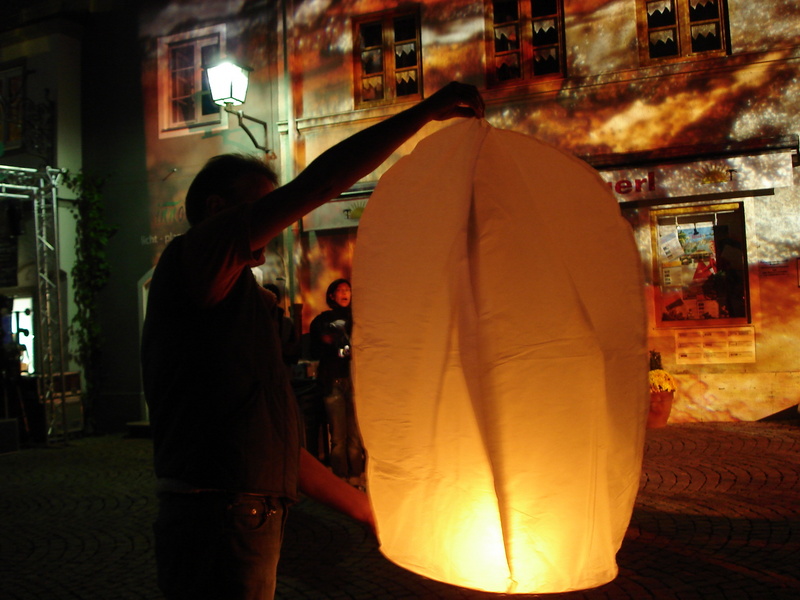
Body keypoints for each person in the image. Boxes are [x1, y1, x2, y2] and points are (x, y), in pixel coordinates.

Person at [140, 81, 484, 600]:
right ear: (217, 210)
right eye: (260, 211)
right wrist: (424, 113)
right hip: (218, 517)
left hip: (246, 514)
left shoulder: (244, 301)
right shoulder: (194, 258)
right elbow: (317, 186)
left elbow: (280, 449)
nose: (274, 226)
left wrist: (367, 511)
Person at [309, 278, 364, 487]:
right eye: (340, 290)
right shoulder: (323, 320)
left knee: (355, 435)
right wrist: (328, 342)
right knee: (338, 435)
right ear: (331, 295)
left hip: (354, 379)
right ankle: (341, 477)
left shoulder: (358, 318)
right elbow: (314, 349)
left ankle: (356, 476)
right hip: (332, 379)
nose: (345, 293)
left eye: (347, 289)